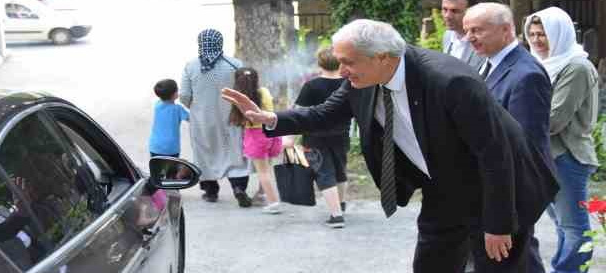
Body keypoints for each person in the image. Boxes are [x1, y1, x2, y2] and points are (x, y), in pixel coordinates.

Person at [222, 19, 559, 273]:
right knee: (431, 265)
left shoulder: (450, 82)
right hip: (444, 191)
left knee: (501, 267)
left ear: (382, 57)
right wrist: (268, 118)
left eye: (348, 62)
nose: (341, 70)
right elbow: (324, 114)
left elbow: (495, 157)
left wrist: (499, 225)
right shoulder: (363, 80)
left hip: (499, 192)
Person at [464, 3, 552, 273]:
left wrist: (502, 218)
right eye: (467, 30)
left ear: (505, 30)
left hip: (509, 197)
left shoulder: (526, 76)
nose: (469, 37)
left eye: (477, 30)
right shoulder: (487, 63)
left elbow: (522, 152)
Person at [524, 7, 599, 273]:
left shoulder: (576, 66)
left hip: (568, 157)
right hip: (548, 156)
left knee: (574, 228)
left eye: (543, 34)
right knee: (562, 225)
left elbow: (554, 119)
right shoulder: (544, 63)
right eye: (532, 34)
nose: (536, 40)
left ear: (560, 34)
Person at [180, 28, 252, 207]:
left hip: (203, 119)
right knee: (234, 151)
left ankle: (211, 191)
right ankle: (238, 188)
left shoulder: (191, 66)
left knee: (205, 152)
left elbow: (184, 95)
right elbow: (244, 89)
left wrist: (197, 108)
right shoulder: (235, 64)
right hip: (231, 117)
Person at [293, 47, 351, 228]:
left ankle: (336, 216)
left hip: (315, 137)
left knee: (324, 173)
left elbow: (298, 113)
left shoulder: (311, 86)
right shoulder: (348, 83)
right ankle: (340, 206)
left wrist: (289, 137)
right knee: (340, 171)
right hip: (341, 135)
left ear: (320, 63)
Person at [229, 67, 283, 214]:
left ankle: (273, 203)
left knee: (262, 172)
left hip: (255, 134)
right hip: (272, 130)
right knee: (267, 168)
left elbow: (239, 120)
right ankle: (262, 194)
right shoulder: (264, 91)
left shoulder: (239, 98)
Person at [442, 0, 485, 69]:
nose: (447, 16)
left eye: (455, 11)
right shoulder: (447, 36)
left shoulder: (486, 43)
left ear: (474, 12)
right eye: (444, 9)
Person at [149, 79, 189, 158]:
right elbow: (191, 118)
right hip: (171, 148)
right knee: (171, 169)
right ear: (174, 94)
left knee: (157, 168)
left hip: (155, 147)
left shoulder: (157, 105)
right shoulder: (178, 109)